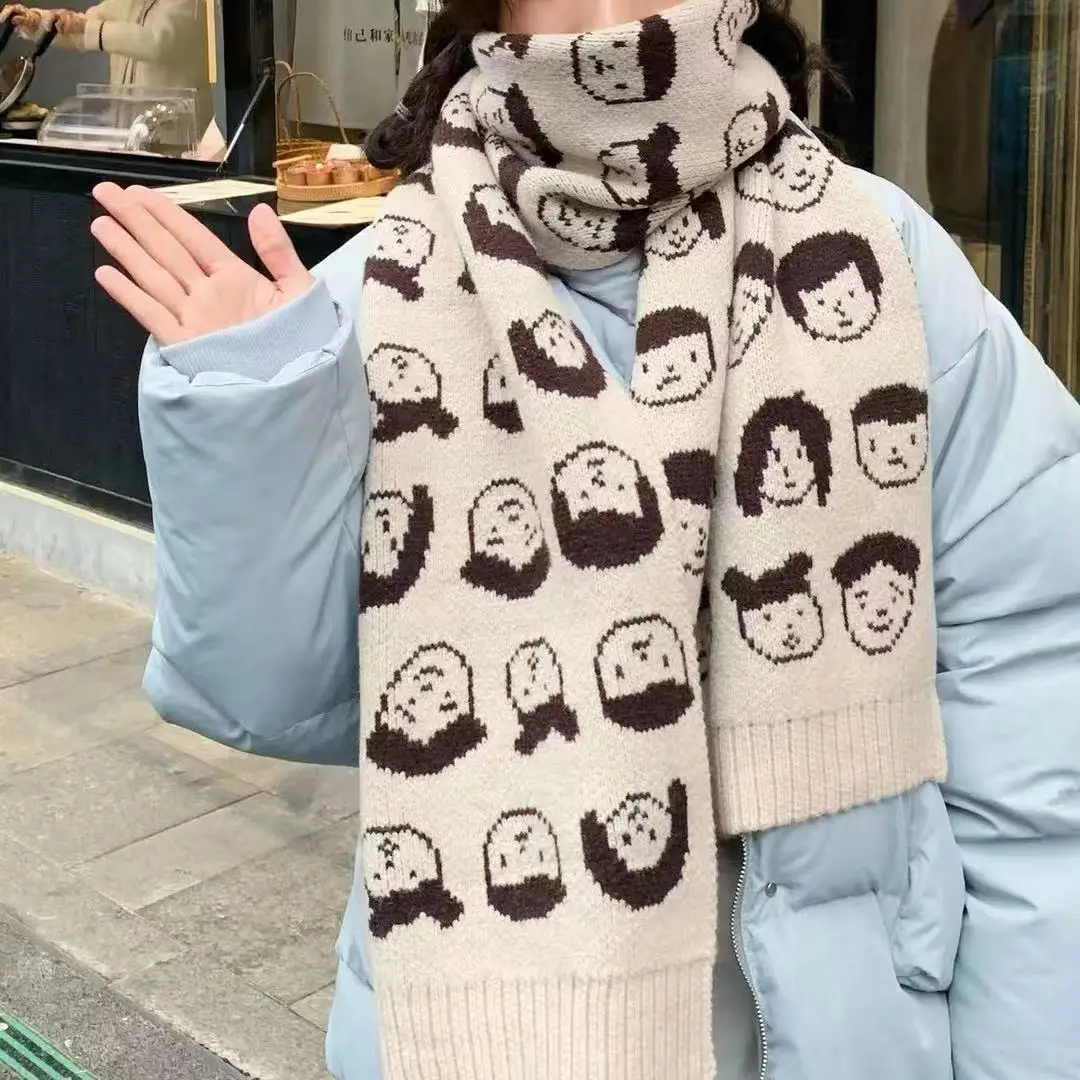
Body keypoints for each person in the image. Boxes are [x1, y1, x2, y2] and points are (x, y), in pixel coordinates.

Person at [88, 1, 1080, 1078]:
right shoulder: (379, 296)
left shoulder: (881, 260)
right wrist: (253, 406)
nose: (616, 18)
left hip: (846, 1030)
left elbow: (1035, 690)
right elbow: (275, 693)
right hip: (480, 1030)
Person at [2, 1, 209, 127]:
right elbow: (80, 28)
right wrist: (36, 22)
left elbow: (157, 41)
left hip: (178, 135)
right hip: (126, 133)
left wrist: (88, 28)